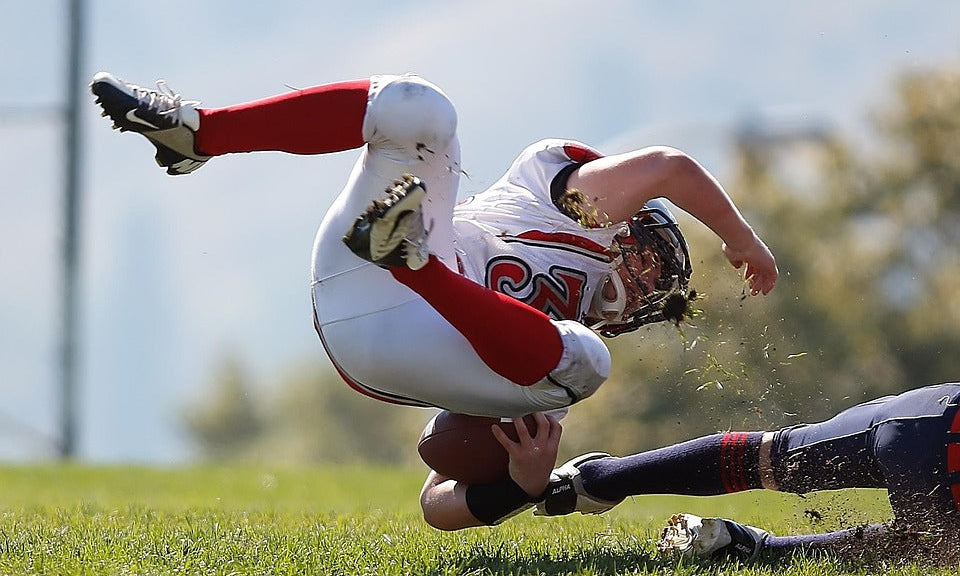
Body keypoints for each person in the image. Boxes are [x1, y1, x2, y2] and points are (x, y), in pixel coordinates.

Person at [91, 71, 776, 490]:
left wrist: (527, 482)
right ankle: (200, 133)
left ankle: (416, 265)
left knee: (586, 361)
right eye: (657, 258)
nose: (652, 282)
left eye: (660, 285)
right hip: (362, 271)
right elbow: (669, 167)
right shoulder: (568, 204)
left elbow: (438, 500)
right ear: (632, 228)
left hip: (404, 337)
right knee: (422, 110)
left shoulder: (551, 358)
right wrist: (739, 238)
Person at [420, 382, 960, 562]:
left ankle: (596, 481)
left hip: (924, 418)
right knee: (931, 547)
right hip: (929, 432)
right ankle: (758, 550)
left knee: (777, 456)